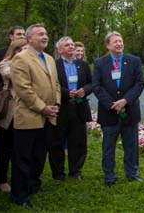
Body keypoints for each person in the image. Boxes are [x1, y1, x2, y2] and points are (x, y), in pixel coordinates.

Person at [10, 23, 60, 207]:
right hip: (29, 116)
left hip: (48, 116)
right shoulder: (21, 59)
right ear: (29, 38)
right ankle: (19, 195)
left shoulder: (49, 58)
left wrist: (56, 104)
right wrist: (42, 107)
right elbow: (24, 89)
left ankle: (33, 185)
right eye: (40, 34)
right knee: (23, 158)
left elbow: (55, 84)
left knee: (39, 155)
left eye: (46, 34)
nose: (45, 36)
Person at [92, 31, 144, 186]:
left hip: (130, 111)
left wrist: (125, 101)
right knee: (108, 147)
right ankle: (109, 175)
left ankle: (132, 173)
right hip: (109, 112)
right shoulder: (99, 63)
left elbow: (139, 84)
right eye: (115, 42)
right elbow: (97, 86)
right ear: (108, 45)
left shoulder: (134, 61)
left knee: (131, 145)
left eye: (120, 41)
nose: (119, 44)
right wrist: (112, 104)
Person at [49, 37, 93, 181]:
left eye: (72, 44)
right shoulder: (54, 65)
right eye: (67, 45)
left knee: (78, 141)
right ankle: (58, 173)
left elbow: (91, 83)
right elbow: (51, 85)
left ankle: (75, 171)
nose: (71, 47)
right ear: (59, 49)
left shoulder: (82, 64)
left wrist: (84, 90)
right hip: (61, 107)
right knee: (57, 141)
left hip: (79, 107)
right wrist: (67, 93)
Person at [0, 39, 28, 193]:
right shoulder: (5, 63)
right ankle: (1, 179)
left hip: (26, 112)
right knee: (4, 148)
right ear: (14, 51)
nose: (24, 53)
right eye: (20, 50)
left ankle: (20, 179)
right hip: (9, 113)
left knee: (21, 149)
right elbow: (12, 76)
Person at [0, 26, 26, 91]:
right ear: (11, 36)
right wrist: (1, 90)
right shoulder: (0, 52)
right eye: (19, 34)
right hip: (7, 93)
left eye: (24, 34)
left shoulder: (29, 52)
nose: (22, 36)